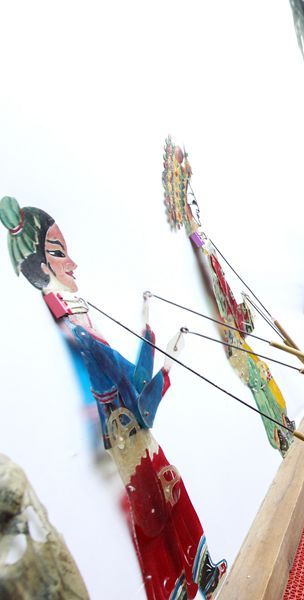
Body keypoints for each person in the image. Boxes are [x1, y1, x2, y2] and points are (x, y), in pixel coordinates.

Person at [1, 196, 227, 600]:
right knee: (158, 518)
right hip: (131, 447)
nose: (72, 264)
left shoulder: (78, 322)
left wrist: (148, 330)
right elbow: (141, 402)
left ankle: (198, 575)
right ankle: (184, 585)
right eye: (58, 253)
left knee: (169, 506)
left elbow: (132, 378)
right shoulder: (79, 333)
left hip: (134, 444)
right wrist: (169, 364)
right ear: (38, 268)